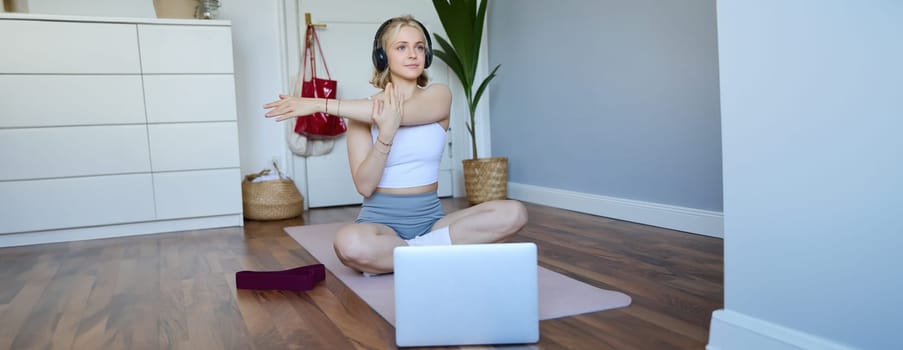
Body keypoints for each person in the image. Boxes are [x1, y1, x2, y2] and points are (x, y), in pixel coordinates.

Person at [263, 15, 526, 275]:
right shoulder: (360, 116)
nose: (413, 54)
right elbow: (365, 186)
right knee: (349, 244)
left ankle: (406, 254)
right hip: (381, 225)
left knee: (514, 212)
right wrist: (385, 136)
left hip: (433, 221)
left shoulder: (439, 95)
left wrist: (319, 104)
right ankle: (435, 251)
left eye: (419, 47)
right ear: (382, 57)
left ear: (427, 55)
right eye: (401, 47)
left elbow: (400, 113)